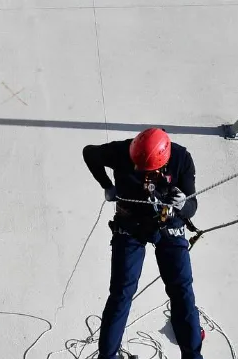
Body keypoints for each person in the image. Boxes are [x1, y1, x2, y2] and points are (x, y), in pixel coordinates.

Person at [83, 128, 202, 359]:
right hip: (131, 223)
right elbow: (90, 153)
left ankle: (193, 355)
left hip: (169, 223)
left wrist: (182, 205)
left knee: (182, 290)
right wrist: (106, 185)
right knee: (121, 292)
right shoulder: (122, 150)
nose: (138, 170)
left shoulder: (181, 158)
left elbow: (192, 207)